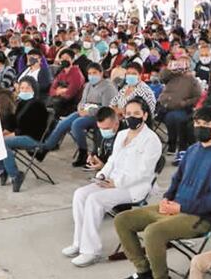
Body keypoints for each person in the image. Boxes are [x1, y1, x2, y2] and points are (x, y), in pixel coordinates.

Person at [114, 106, 211, 279]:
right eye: (198, 124)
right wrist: (167, 197)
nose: (200, 128)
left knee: (153, 232)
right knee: (123, 219)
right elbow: (177, 178)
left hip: (200, 218)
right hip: (175, 206)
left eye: (206, 125)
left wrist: (180, 208)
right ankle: (143, 271)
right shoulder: (193, 149)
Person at [65, 98, 162, 267]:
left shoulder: (151, 140)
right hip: (112, 181)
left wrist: (116, 182)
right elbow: (112, 160)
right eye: (129, 113)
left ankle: (90, 250)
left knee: (95, 200)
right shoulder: (122, 135)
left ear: (145, 115)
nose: (132, 117)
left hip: (135, 188)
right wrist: (102, 176)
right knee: (80, 194)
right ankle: (78, 242)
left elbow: (144, 172)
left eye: (137, 114)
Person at [37, 62, 117, 167]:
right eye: (90, 73)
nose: (92, 76)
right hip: (83, 111)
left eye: (95, 73)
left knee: (76, 124)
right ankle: (46, 148)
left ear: (101, 73)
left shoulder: (108, 87)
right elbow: (82, 101)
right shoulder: (88, 85)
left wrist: (89, 112)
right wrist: (80, 108)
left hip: (98, 115)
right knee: (63, 124)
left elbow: (107, 108)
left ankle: (83, 152)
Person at [1, 77, 50, 193]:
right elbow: (15, 122)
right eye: (22, 88)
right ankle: (1, 171)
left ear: (34, 89)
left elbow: (30, 128)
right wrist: (7, 130)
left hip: (33, 138)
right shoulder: (22, 103)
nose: (24, 90)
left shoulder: (38, 105)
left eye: (28, 88)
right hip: (21, 135)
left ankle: (15, 175)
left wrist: (12, 134)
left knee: (3, 143)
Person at [158, 55, 202, 163]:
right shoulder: (171, 76)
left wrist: (184, 103)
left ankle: (174, 144)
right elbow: (162, 77)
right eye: (179, 63)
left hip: (182, 108)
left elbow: (197, 96)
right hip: (165, 106)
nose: (181, 66)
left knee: (174, 117)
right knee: (169, 116)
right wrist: (169, 68)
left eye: (184, 63)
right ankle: (172, 144)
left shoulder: (192, 80)